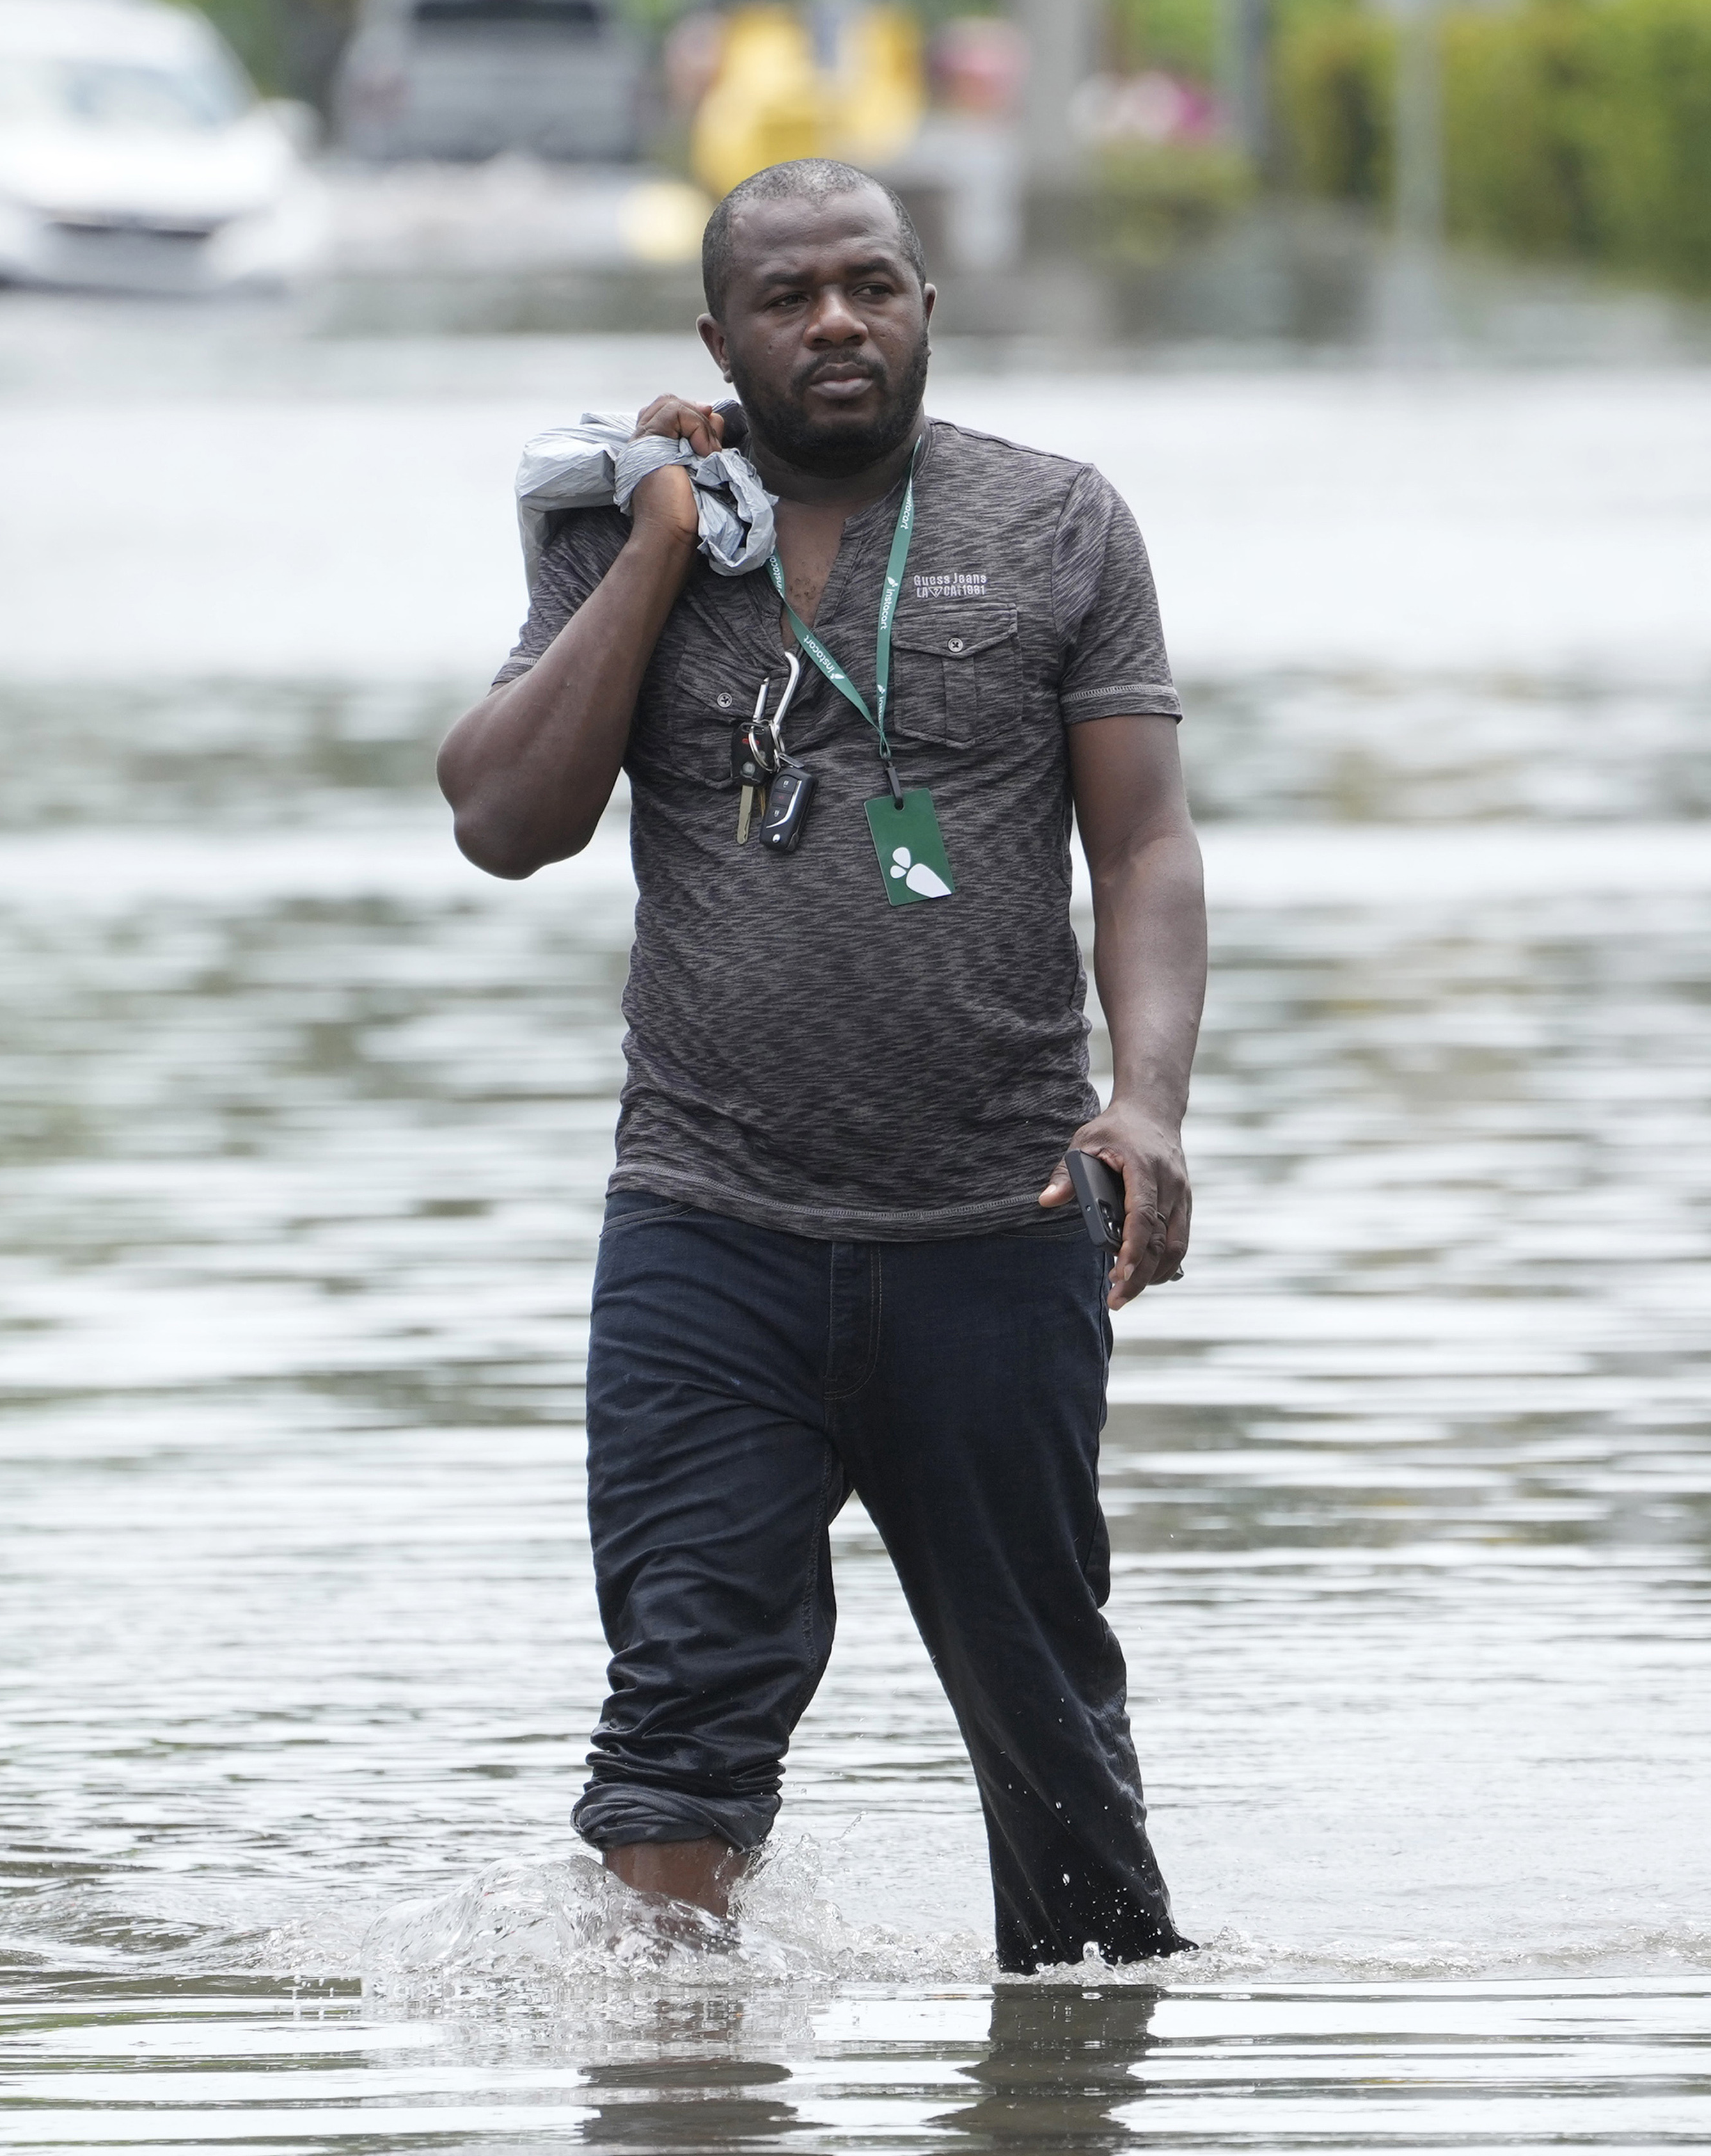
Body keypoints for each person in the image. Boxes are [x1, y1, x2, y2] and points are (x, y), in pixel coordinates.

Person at [436, 158, 1208, 1974]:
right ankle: (676, 2076)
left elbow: (1147, 844)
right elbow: (501, 821)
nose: (834, 321)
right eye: (786, 298)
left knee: (1053, 1753)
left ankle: (1084, 2066)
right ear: (717, 340)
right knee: (673, 1738)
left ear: (927, 302)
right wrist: (646, 544)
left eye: (868, 284)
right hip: (708, 1232)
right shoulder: (621, 530)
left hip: (1000, 1226)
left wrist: (1147, 1102)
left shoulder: (1057, 523)